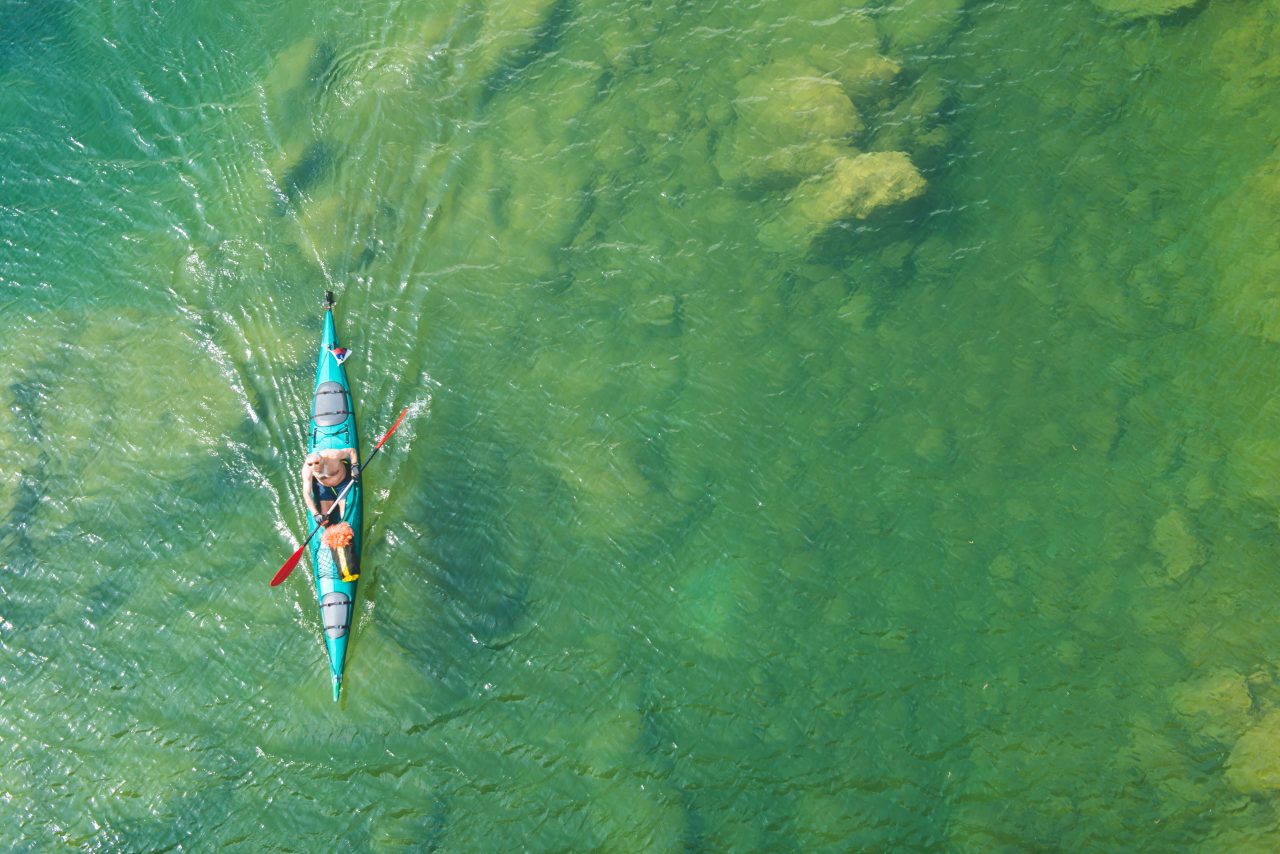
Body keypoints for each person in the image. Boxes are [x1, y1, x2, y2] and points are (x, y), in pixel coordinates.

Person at [302, 447, 359, 526]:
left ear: (322, 460)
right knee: (324, 521)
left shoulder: (333, 456)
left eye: (316, 463)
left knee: (344, 515)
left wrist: (354, 467)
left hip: (343, 483)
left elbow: (352, 451)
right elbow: (306, 493)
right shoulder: (307, 470)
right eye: (310, 464)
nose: (313, 467)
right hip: (325, 488)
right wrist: (315, 514)